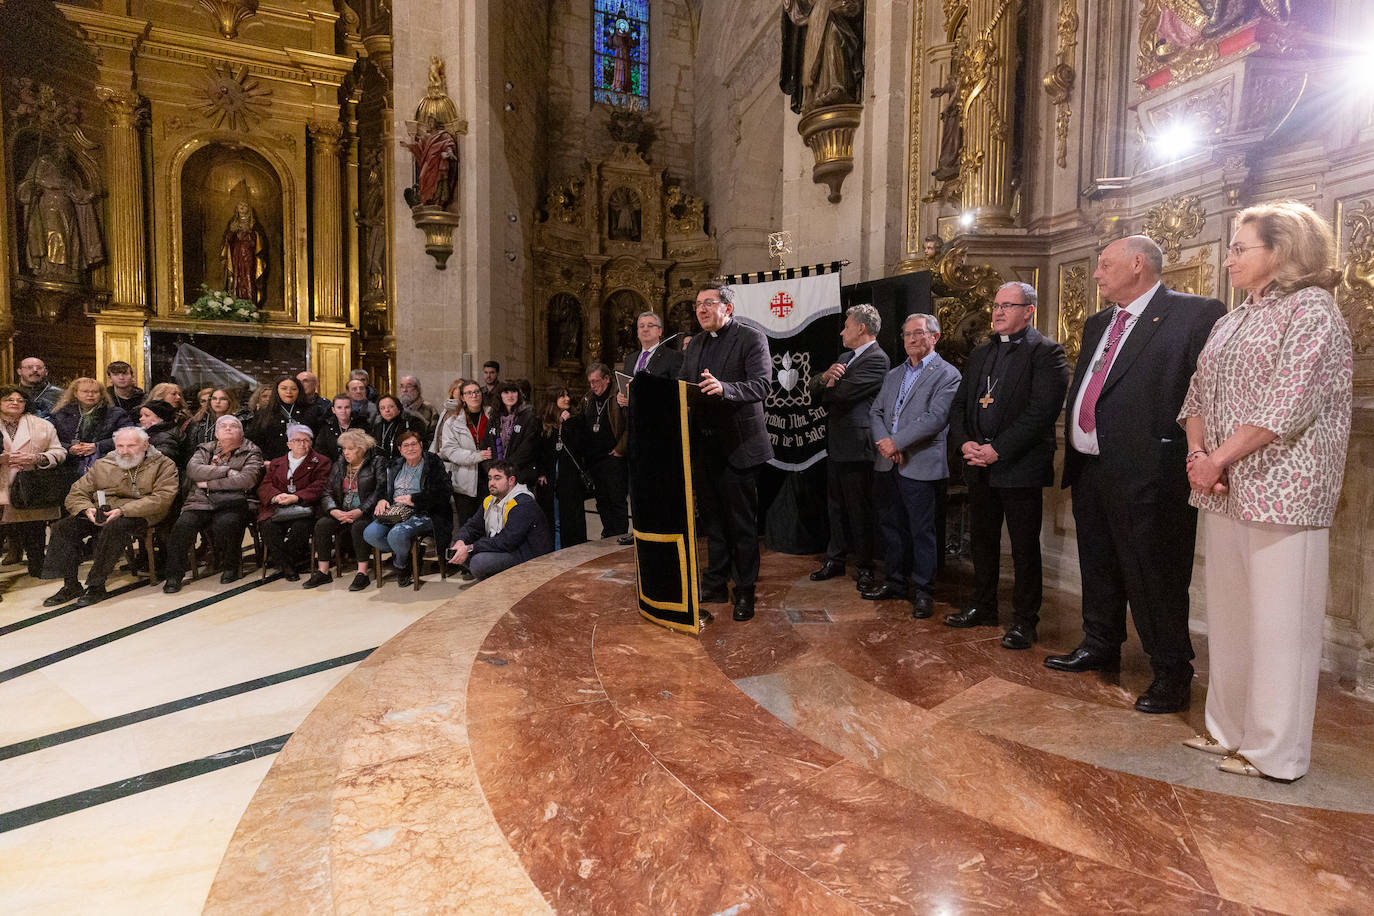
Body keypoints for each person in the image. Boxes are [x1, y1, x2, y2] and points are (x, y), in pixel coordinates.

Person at [1178, 201, 1352, 782]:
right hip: (1225, 486)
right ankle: (1229, 729)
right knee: (1229, 621)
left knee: (1282, 628)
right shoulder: (1231, 319)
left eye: (1238, 247)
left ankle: (1276, 751)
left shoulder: (1313, 311)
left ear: (1279, 252)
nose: (1226, 258)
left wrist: (1215, 459)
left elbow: (1289, 404)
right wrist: (1199, 455)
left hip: (1286, 489)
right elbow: (1196, 395)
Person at [1047, 235, 1227, 715]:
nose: (1097, 273)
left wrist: (1198, 454)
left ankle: (1172, 671)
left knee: (1157, 575)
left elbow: (1207, 392)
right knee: (1099, 565)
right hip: (1091, 467)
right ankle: (1100, 642)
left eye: (1104, 264)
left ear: (1137, 264)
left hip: (1152, 472)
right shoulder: (1098, 323)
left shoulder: (1194, 313)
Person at [945, 283, 1069, 649]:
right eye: (996, 305)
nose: (997, 312)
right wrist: (964, 441)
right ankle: (983, 606)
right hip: (978, 464)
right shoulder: (982, 354)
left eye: (1007, 306)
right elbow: (960, 405)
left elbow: (1041, 413)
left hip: (1019, 466)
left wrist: (997, 449)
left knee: (1023, 548)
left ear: (1028, 310)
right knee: (982, 542)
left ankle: (1024, 622)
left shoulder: (1046, 353)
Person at [678, 286, 774, 621]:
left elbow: (763, 385)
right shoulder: (696, 344)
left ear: (728, 308)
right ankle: (716, 582)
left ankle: (745, 590)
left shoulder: (751, 338)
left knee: (741, 523)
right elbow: (683, 387)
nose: (701, 310)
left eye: (708, 303)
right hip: (705, 447)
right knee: (713, 521)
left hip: (740, 446)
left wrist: (726, 388)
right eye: (698, 305)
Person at [864, 313, 962, 618]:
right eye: (907, 334)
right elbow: (876, 412)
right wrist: (885, 442)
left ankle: (923, 590)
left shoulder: (948, 374)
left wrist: (898, 443)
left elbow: (935, 418)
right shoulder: (894, 374)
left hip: (920, 463)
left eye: (919, 334)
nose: (912, 340)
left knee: (922, 530)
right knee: (891, 526)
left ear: (935, 337)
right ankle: (894, 581)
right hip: (888, 461)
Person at [42, 427, 178, 608]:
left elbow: (162, 498)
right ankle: (70, 584)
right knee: (63, 526)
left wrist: (123, 510)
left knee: (116, 527)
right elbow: (77, 492)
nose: (124, 451)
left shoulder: (163, 464)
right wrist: (86, 510)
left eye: (131, 445)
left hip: (142, 513)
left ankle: (96, 584)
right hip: (104, 511)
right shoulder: (104, 463)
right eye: (120, 446)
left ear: (145, 445)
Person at [808, 304, 890, 592]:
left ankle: (866, 566)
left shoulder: (878, 360)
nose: (842, 331)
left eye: (846, 326)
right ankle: (836, 558)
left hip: (858, 446)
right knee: (836, 506)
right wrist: (826, 379)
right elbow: (814, 388)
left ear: (861, 328)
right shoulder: (845, 357)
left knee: (859, 509)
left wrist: (828, 384)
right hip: (838, 443)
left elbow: (841, 394)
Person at [163, 415, 265, 593]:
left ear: (241, 432)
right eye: (223, 426)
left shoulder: (252, 451)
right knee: (182, 526)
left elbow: (246, 480)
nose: (227, 429)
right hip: (201, 500)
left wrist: (209, 483)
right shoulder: (205, 449)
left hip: (234, 500)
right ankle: (173, 576)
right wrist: (226, 471)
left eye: (233, 426)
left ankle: (230, 566)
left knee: (227, 524)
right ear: (216, 433)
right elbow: (193, 470)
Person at [362, 429, 452, 588]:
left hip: (426, 512)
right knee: (370, 533)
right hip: (396, 511)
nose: (410, 448)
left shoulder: (433, 462)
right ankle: (410, 554)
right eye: (406, 445)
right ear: (400, 449)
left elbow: (443, 493)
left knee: (396, 534)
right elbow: (382, 487)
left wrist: (414, 499)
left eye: (414, 444)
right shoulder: (395, 465)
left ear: (421, 445)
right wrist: (382, 499)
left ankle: (401, 565)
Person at [304, 429, 385, 591]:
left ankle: (362, 573)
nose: (345, 452)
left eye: (350, 448)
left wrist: (361, 510)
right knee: (322, 524)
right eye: (344, 449)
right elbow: (327, 492)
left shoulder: (376, 462)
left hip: (365, 513)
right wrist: (333, 510)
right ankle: (323, 571)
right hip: (342, 511)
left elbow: (379, 490)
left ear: (361, 449)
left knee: (359, 526)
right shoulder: (340, 464)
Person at [0, 385, 67, 579]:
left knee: (34, 532)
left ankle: (38, 569)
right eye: (9, 400)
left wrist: (37, 458)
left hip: (32, 487)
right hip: (2, 487)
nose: (15, 403)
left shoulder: (42, 425)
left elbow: (59, 452)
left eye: (20, 400)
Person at [449, 461, 553, 580]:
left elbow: (506, 541)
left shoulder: (522, 503)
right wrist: (461, 541)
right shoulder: (490, 500)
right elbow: (473, 525)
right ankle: (499, 580)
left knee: (479, 562)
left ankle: (508, 582)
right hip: (505, 549)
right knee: (456, 547)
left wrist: (471, 547)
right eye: (490, 478)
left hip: (526, 555)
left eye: (497, 478)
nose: (492, 483)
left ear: (511, 481)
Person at [256, 423, 331, 580]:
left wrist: (296, 497)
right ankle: (287, 564)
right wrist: (277, 496)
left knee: (301, 527)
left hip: (304, 507)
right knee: (267, 526)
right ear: (289, 444)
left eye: (306, 440)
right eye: (297, 440)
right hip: (277, 507)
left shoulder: (321, 461)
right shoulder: (276, 463)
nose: (302, 444)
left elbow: (320, 485)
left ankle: (283, 563)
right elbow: (265, 485)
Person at [431, 379, 491, 534]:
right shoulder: (452, 421)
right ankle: (467, 557)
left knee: (490, 522)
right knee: (467, 524)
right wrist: (477, 456)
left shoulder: (492, 416)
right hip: (465, 478)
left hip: (489, 475)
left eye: (477, 392)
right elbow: (450, 450)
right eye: (469, 393)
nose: (474, 396)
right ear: (463, 397)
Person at [536, 387, 588, 550]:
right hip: (551, 479)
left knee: (572, 519)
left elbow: (581, 446)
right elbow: (539, 450)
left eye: (567, 395)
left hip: (570, 478)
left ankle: (573, 552)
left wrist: (567, 425)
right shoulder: (543, 422)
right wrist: (541, 472)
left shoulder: (576, 420)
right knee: (554, 518)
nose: (567, 398)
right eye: (562, 396)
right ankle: (556, 551)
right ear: (553, 400)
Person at [50, 377, 134, 476]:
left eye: (95, 392)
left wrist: (98, 446)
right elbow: (50, 439)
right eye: (85, 391)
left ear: (101, 394)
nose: (90, 395)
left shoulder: (116, 414)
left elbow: (129, 436)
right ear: (75, 393)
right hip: (67, 466)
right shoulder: (61, 413)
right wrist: (69, 448)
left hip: (105, 464)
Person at [581, 364, 627, 538]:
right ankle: (608, 533)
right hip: (595, 458)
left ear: (607, 379)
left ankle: (620, 534)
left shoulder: (619, 396)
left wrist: (621, 448)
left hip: (614, 457)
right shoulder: (588, 399)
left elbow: (630, 424)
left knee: (616, 499)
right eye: (590, 382)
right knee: (601, 500)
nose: (593, 386)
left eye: (596, 381)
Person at [247, 375, 315, 461]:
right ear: (277, 391)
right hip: (273, 461)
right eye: (284, 388)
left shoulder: (312, 410)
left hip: (306, 461)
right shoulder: (264, 412)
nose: (289, 392)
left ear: (299, 391)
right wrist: (263, 460)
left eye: (293, 389)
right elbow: (255, 439)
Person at [484, 382, 539, 485]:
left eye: (514, 391)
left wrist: (507, 468)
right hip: (496, 476)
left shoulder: (528, 416)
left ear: (519, 394)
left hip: (521, 474)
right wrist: (491, 468)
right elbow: (486, 444)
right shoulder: (493, 418)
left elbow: (528, 447)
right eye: (506, 392)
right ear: (500, 395)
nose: (510, 395)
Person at [621, 311, 684, 380]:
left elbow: (677, 387)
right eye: (641, 326)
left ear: (659, 331)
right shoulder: (630, 359)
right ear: (637, 332)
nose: (645, 329)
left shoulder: (673, 357)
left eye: (650, 325)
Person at [372, 394, 428, 460]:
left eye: (391, 407)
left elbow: (422, 446)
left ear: (398, 408)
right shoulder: (377, 427)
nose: (387, 410)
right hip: (382, 465)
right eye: (382, 408)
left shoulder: (412, 422)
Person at [138, 399, 189, 469]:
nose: (141, 419)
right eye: (141, 415)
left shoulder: (166, 436)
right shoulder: (153, 431)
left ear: (161, 419)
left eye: (147, 416)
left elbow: (164, 454)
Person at [314, 394, 358, 463]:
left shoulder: (361, 424)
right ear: (333, 410)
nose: (343, 411)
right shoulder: (326, 426)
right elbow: (320, 450)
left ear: (351, 408)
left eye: (347, 407)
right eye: (339, 407)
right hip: (332, 467)